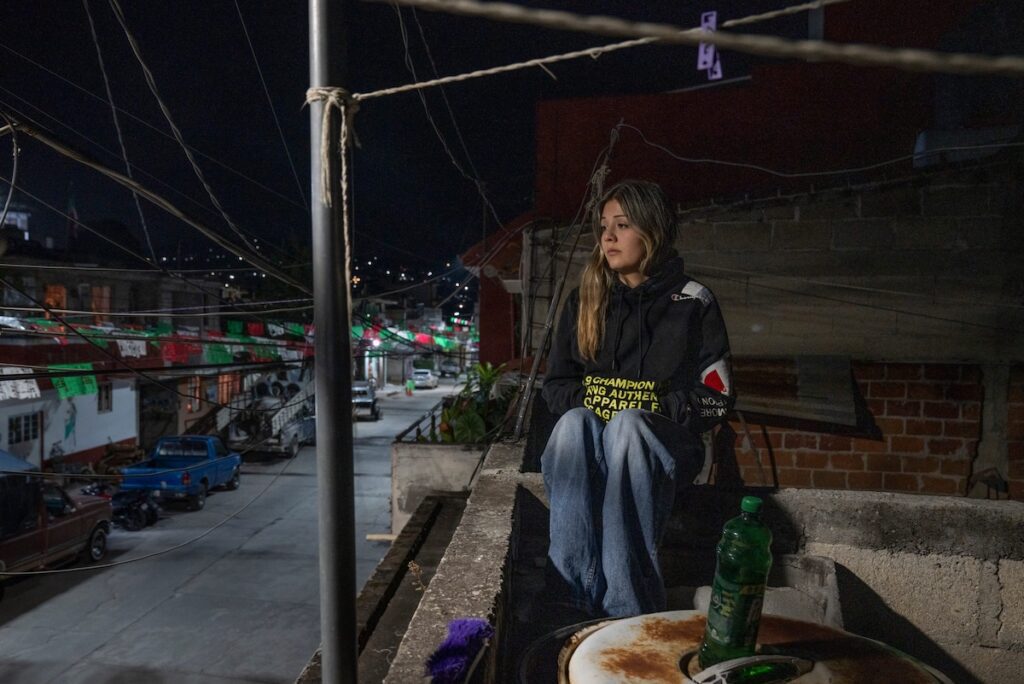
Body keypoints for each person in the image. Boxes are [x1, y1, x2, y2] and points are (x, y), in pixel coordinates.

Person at [540, 179, 734, 619]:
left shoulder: (693, 301)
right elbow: (555, 386)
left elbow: (717, 400)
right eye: (604, 226)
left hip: (663, 449)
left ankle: (625, 610)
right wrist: (600, 403)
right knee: (574, 423)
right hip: (592, 448)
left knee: (628, 424)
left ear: (652, 231)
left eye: (622, 225)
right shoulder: (584, 299)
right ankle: (566, 599)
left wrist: (649, 406)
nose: (607, 237)